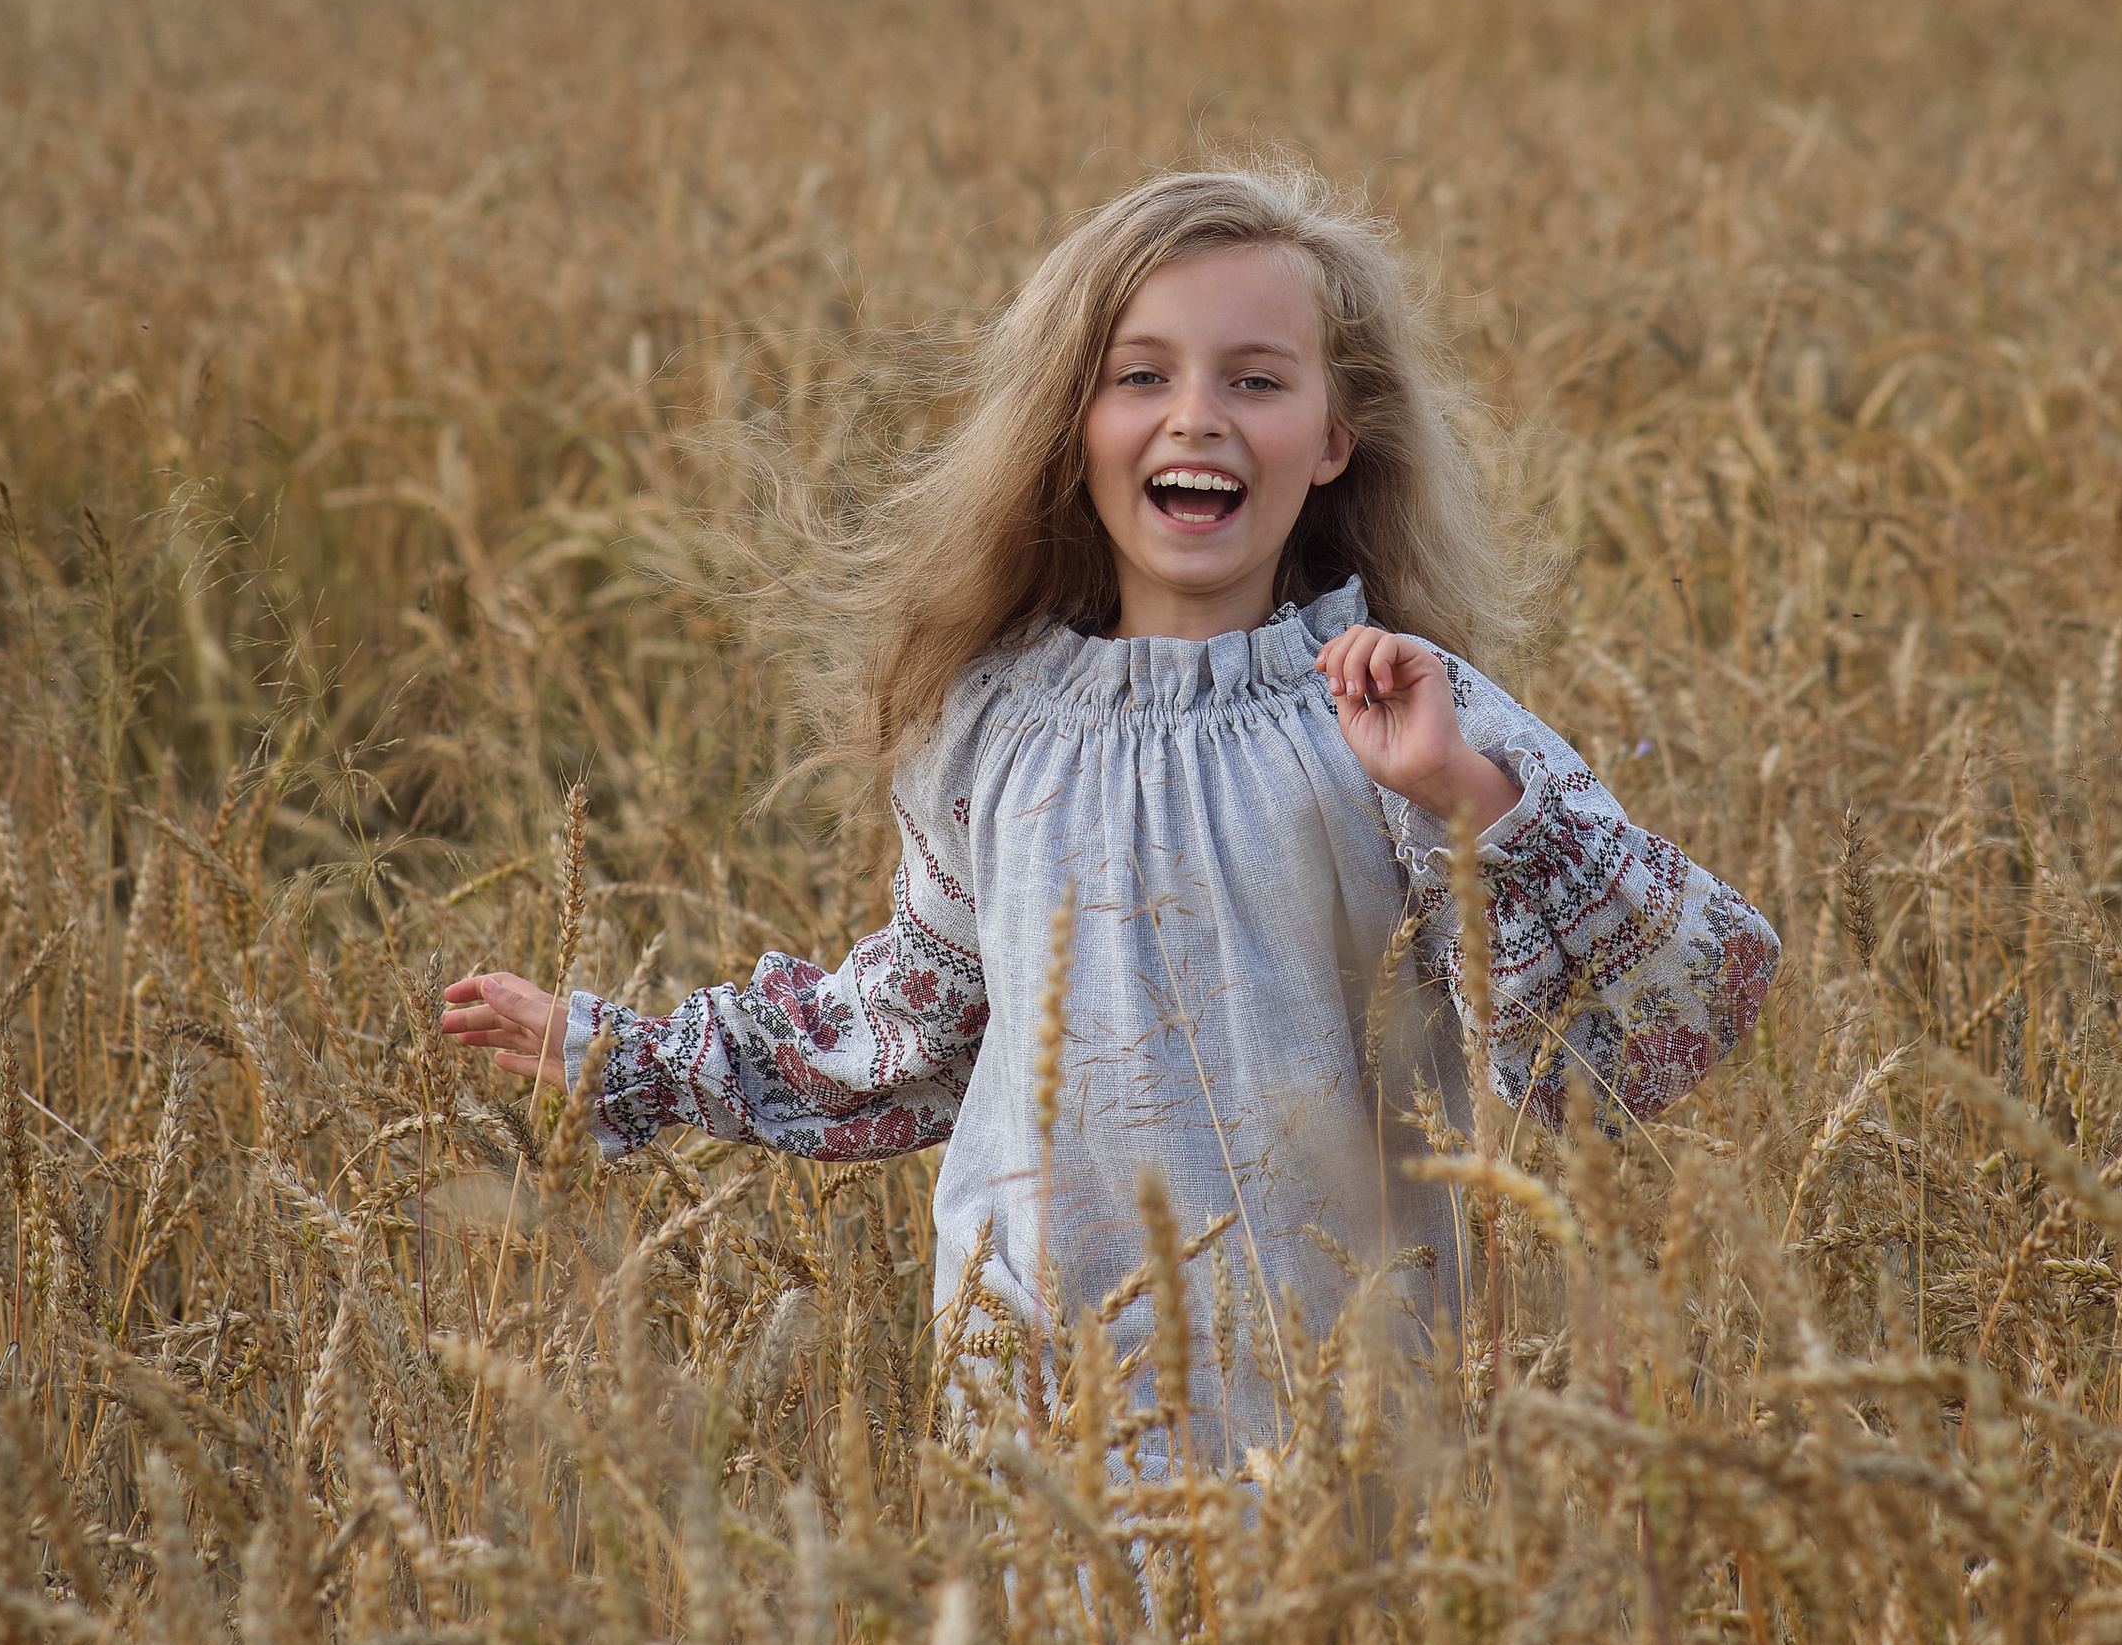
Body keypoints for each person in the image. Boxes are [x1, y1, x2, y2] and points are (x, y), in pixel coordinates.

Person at [441, 167, 1777, 1443]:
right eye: (1141, 377)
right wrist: (637, 1058)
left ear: (1333, 440)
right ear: (1069, 427)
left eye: (1255, 380)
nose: (1197, 415)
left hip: (1336, 1408)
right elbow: (919, 1027)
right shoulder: (988, 728)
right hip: (1040, 1411)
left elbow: (1681, 998)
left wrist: (1463, 797)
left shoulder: (1405, 714)